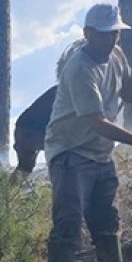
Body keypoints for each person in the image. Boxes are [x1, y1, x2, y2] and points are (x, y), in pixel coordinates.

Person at [45, 3, 132, 262]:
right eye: (105, 35)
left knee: (107, 222)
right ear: (88, 34)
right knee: (68, 223)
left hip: (99, 154)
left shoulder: (117, 55)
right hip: (70, 152)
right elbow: (97, 123)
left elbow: (129, 94)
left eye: (115, 34)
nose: (111, 40)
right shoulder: (79, 70)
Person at [14, 40, 84, 176]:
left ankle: (8, 193)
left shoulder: (62, 91)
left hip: (27, 129)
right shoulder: (64, 92)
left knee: (25, 168)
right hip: (30, 130)